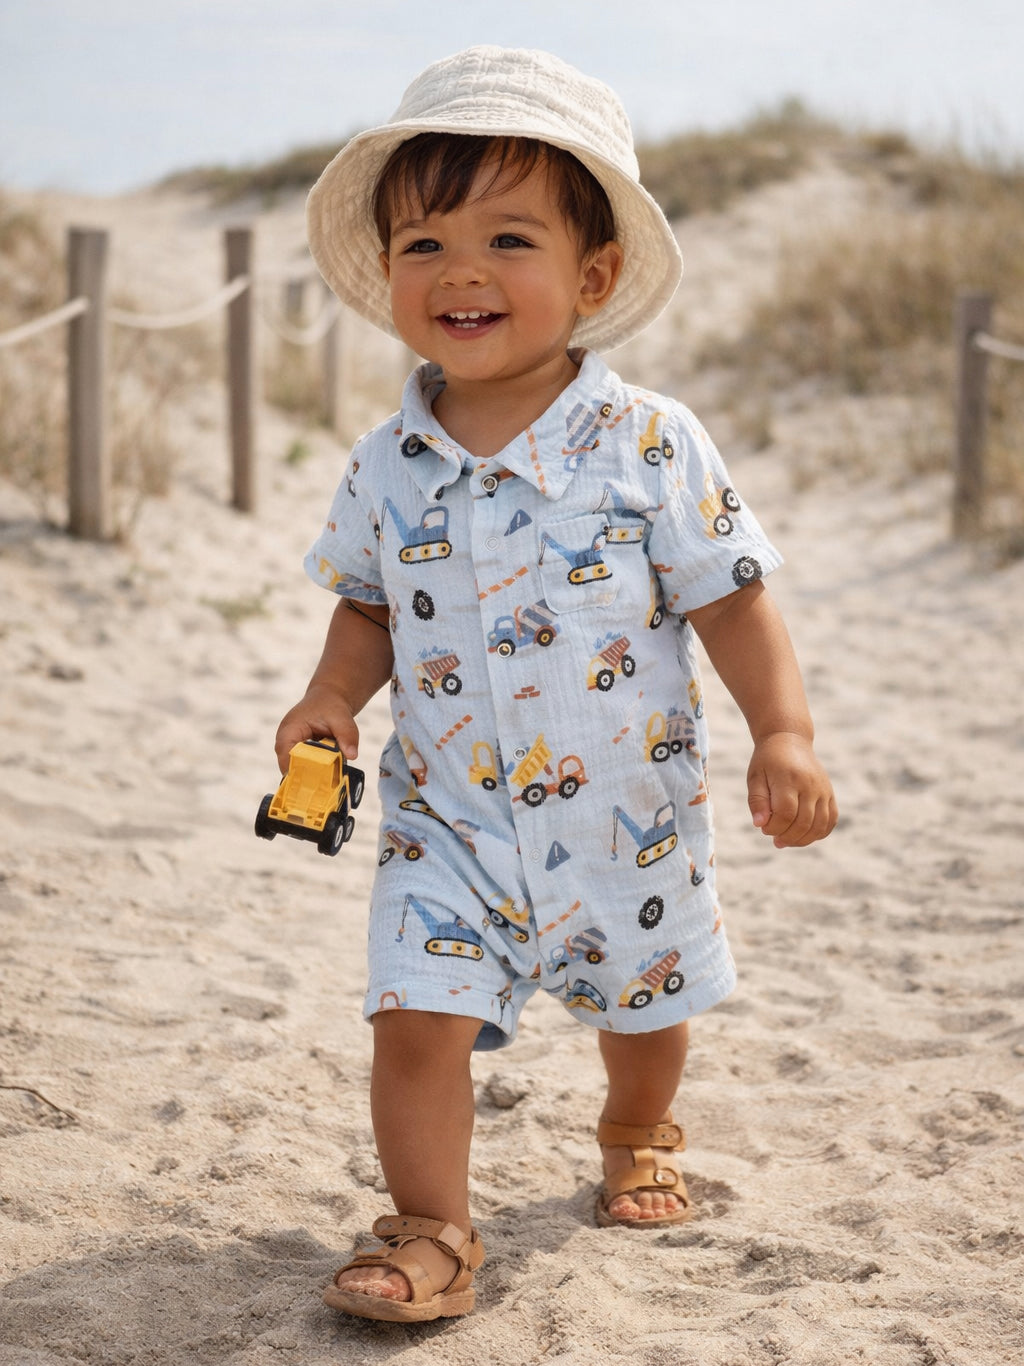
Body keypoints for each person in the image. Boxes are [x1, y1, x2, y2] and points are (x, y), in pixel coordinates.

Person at [275, 45, 837, 1323]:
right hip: (449, 819)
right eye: (420, 245)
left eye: (506, 239)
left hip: (617, 817)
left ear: (593, 276)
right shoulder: (386, 461)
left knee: (644, 1007)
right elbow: (368, 603)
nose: (460, 272)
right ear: (389, 282)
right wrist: (329, 699)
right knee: (412, 1012)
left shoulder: (650, 443)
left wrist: (784, 733)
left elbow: (731, 595)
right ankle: (433, 1228)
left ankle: (638, 1130)